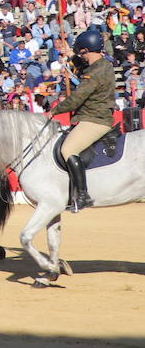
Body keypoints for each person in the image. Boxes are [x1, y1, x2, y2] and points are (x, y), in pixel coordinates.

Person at [49, 30, 117, 212]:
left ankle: (82, 195)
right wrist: (72, 56)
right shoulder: (104, 64)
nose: (81, 56)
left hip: (94, 119)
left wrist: (53, 111)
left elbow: (76, 99)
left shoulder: (93, 74)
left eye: (81, 52)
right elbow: (87, 67)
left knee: (68, 149)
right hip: (99, 115)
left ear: (86, 49)